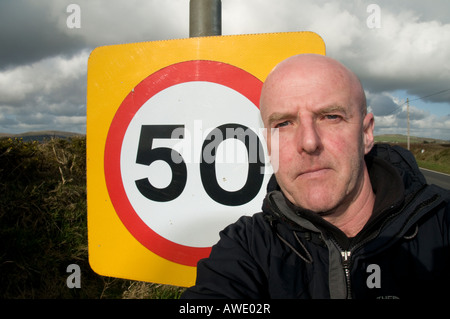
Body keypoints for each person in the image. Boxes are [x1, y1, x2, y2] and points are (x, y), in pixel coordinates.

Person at [181, 54, 450, 299]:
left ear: (367, 134)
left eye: (330, 116)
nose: (309, 142)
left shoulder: (441, 226)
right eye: (284, 123)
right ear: (268, 145)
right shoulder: (246, 248)